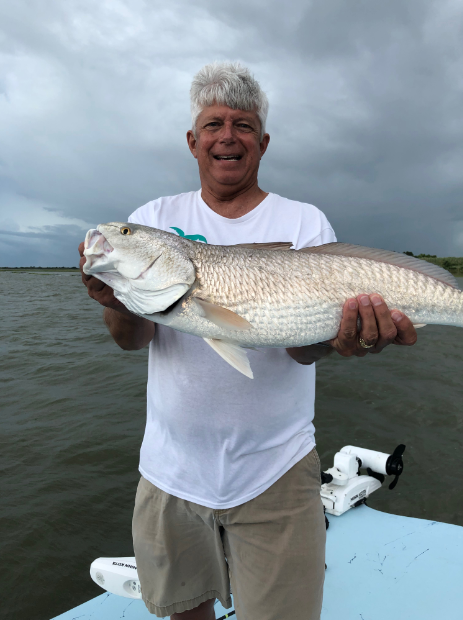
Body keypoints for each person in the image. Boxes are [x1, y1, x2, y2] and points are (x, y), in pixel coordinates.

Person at [79, 62, 417, 620]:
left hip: (277, 470)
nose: (226, 137)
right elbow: (130, 341)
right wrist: (115, 298)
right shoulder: (155, 218)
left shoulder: (305, 222)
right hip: (170, 472)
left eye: (242, 125)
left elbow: (301, 347)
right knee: (184, 610)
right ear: (193, 141)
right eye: (213, 124)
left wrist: (345, 340)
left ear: (263, 142)